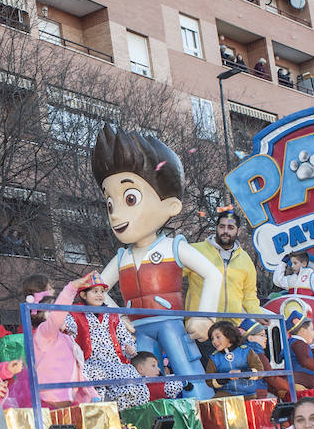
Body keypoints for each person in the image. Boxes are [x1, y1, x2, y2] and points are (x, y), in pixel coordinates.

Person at [92, 128, 221, 401]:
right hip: (137, 326)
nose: (116, 215)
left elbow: (213, 273)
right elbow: (98, 289)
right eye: (110, 203)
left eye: (130, 199)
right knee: (140, 372)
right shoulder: (122, 257)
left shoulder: (173, 247)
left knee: (184, 364)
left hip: (169, 322)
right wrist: (120, 317)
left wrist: (203, 316)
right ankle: (149, 403)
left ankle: (198, 400)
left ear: (171, 206)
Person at [62, 272, 148, 409]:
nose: (100, 295)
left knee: (134, 381)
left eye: (102, 292)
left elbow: (124, 337)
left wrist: (129, 347)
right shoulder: (74, 313)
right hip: (90, 363)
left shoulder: (113, 315)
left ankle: (128, 419)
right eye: (95, 291)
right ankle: (101, 417)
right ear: (83, 295)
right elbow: (67, 328)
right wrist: (62, 325)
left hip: (115, 363)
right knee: (96, 382)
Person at [19, 276, 98, 407]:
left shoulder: (65, 338)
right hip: (52, 396)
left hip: (68, 395)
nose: (59, 316)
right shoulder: (44, 333)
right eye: (51, 310)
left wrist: (92, 394)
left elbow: (78, 370)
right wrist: (71, 288)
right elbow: (56, 318)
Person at [183, 208, 262, 323]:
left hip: (231, 328)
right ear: (216, 228)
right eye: (221, 226)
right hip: (200, 324)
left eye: (230, 228)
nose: (225, 231)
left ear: (238, 231)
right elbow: (172, 277)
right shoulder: (195, 250)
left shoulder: (245, 260)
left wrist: (258, 314)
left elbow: (249, 295)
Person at [205, 320, 257, 396]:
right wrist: (226, 377)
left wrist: (241, 373)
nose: (214, 341)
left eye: (218, 337)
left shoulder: (246, 351)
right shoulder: (214, 357)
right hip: (226, 395)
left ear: (229, 336)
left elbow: (259, 370)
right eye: (212, 338)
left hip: (248, 395)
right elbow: (209, 381)